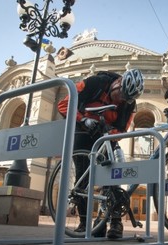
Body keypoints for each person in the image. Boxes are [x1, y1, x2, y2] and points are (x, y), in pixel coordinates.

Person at [57, 69, 144, 239]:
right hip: (82, 132)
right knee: (83, 179)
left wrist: (110, 133)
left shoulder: (128, 103)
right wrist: (83, 119)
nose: (121, 100)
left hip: (105, 136)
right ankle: (83, 223)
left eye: (126, 99)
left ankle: (115, 223)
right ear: (117, 83)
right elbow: (63, 105)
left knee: (112, 179)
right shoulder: (93, 83)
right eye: (121, 95)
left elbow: (122, 129)